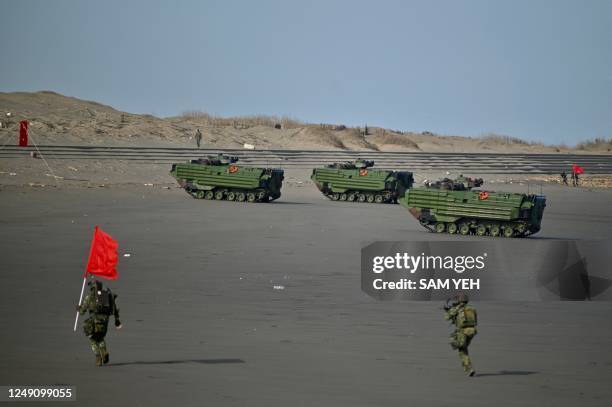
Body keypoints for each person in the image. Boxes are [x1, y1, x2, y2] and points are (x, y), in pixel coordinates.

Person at [77, 279, 122, 366]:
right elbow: (114, 308)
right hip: (105, 321)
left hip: (93, 321)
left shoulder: (90, 297)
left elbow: (82, 311)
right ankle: (104, 352)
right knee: (101, 337)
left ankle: (98, 357)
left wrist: (78, 308)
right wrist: (117, 320)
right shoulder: (106, 296)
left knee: (93, 339)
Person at [444, 293, 477, 376]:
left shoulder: (457, 308)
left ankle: (469, 368)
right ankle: (467, 367)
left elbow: (447, 317)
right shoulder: (472, 309)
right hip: (472, 331)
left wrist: (448, 310)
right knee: (464, 347)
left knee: (461, 349)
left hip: (463, 331)